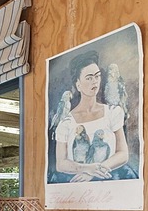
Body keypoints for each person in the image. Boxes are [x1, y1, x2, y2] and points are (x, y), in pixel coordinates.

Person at [50, 50, 136, 183]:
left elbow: (123, 154)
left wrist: (93, 172)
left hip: (111, 179)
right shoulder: (66, 122)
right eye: (89, 78)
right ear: (78, 84)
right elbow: (61, 164)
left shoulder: (112, 113)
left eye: (97, 76)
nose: (94, 82)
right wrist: (86, 168)